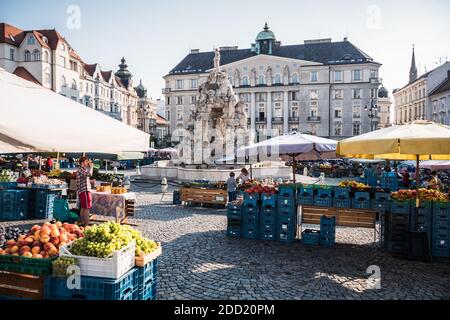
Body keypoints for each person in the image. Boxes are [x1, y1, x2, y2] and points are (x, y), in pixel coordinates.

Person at [77, 157, 94, 225]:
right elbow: (89, 174)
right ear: (82, 163)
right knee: (87, 208)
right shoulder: (81, 169)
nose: (87, 162)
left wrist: (89, 181)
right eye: (86, 161)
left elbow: (82, 179)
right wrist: (91, 167)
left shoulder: (82, 169)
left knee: (83, 208)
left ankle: (83, 223)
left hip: (83, 190)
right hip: (85, 190)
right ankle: (86, 224)